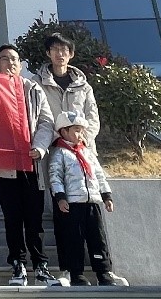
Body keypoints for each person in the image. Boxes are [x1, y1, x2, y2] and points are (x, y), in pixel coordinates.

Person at [0, 43, 57, 286]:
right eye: (4, 58)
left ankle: (41, 265)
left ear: (21, 64)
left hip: (31, 163)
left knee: (34, 219)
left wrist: (40, 147)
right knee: (12, 217)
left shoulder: (33, 89)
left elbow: (46, 121)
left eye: (14, 59)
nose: (10, 63)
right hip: (5, 166)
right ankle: (18, 264)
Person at [46, 110, 127, 287]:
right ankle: (75, 273)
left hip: (92, 203)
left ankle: (104, 272)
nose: (80, 134)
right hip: (72, 204)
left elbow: (99, 174)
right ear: (64, 131)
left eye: (81, 130)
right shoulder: (59, 153)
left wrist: (106, 195)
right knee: (73, 238)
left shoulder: (87, 152)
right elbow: (55, 177)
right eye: (76, 130)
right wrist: (60, 197)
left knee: (98, 238)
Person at [32, 31, 101, 144]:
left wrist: (82, 140)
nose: (59, 53)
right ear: (48, 53)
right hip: (51, 146)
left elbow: (92, 117)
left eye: (64, 49)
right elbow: (35, 118)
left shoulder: (83, 85)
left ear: (71, 54)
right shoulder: (36, 83)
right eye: (55, 49)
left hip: (82, 146)